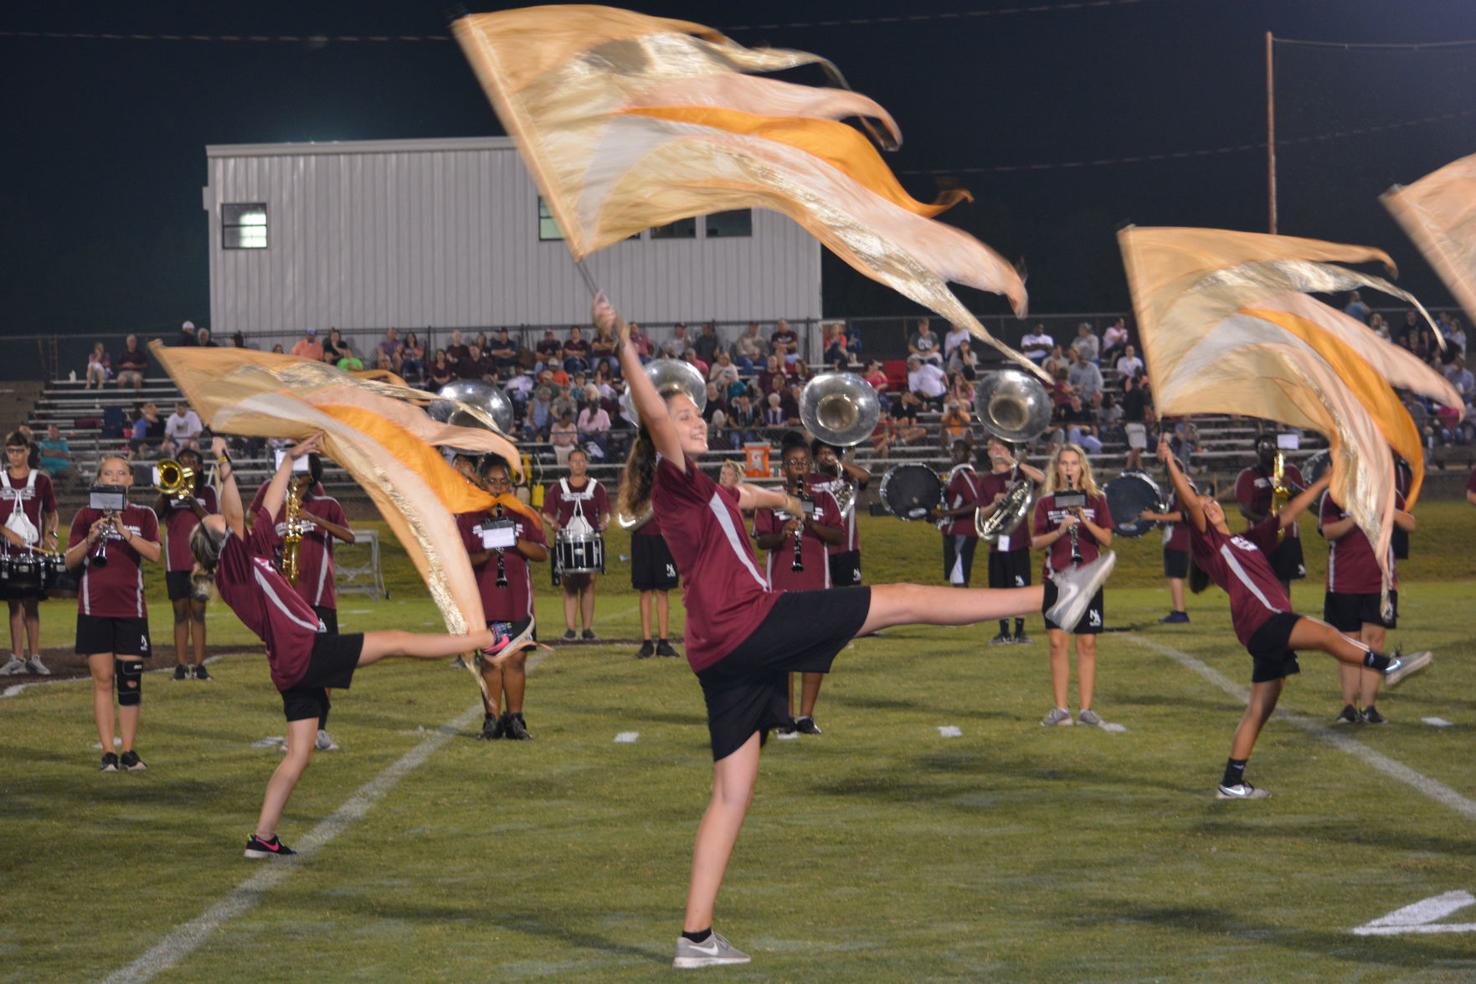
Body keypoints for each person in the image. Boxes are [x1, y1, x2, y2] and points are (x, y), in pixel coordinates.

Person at [592, 293, 1113, 968]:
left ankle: (694, 939)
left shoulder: (707, 491)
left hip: (720, 654)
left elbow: (746, 496)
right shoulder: (678, 477)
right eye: (685, 417)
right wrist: (620, 342)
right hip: (747, 625)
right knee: (898, 599)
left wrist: (783, 498)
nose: (694, 423)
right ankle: (1051, 597)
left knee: (731, 793)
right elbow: (657, 415)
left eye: (694, 415)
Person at [190, 435, 500, 856]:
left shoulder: (254, 553)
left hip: (289, 663)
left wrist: (292, 460)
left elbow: (268, 505)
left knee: (298, 756)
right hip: (306, 652)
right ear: (220, 544)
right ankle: (484, 639)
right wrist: (222, 460)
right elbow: (233, 509)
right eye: (220, 524)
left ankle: (262, 837)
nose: (225, 519)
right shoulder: (234, 570)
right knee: (397, 643)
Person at [1158, 438, 1429, 799]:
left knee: (1260, 709)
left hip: (1262, 627)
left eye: (1212, 503)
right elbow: (1189, 499)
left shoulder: (1246, 540)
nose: (1209, 507)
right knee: (1329, 636)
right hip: (1264, 621)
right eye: (1203, 506)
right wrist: (1170, 462)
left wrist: (1321, 482)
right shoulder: (1211, 546)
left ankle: (1231, 782)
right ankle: (1389, 665)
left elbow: (1285, 516)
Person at [249, 454, 354, 752]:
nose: (297, 481)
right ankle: (297, 728)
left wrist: (314, 520)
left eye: (303, 475)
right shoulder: (276, 509)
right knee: (293, 666)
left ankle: (321, 728)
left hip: (321, 597)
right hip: (287, 600)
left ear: (313, 477)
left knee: (327, 664)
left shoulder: (327, 504)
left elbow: (349, 536)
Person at [63, 454, 161, 770]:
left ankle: (129, 751)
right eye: (108, 473)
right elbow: (69, 561)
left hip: (131, 607)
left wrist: (126, 532)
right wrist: (91, 537)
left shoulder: (144, 515)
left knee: (130, 680)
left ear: (131, 479)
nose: (115, 478)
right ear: (99, 479)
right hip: (94, 607)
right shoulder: (84, 515)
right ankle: (108, 752)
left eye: (121, 473)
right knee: (103, 680)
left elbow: (156, 554)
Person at [752, 435, 845, 736]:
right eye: (793, 463)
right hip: (780, 587)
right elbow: (762, 540)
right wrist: (783, 535)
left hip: (818, 584)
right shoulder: (771, 499)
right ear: (783, 468)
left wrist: (810, 523)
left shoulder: (824, 498)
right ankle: (784, 717)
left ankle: (806, 716)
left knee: (815, 653)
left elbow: (837, 537)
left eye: (804, 462)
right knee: (784, 654)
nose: (799, 468)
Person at [456, 455, 547, 740]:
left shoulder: (523, 513)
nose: (498, 487)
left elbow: (542, 553)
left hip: (518, 598)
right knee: (491, 661)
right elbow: (458, 558)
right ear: (481, 482)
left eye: (503, 481)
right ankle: (492, 720)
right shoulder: (468, 515)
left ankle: (516, 719)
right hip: (484, 599)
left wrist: (515, 540)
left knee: (516, 659)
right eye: (492, 481)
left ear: (511, 482)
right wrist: (483, 555)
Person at [1031, 443, 1114, 727]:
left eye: (1073, 463)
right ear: (1057, 468)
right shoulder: (1046, 502)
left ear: (1082, 467)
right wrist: (1060, 530)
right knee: (1056, 643)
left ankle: (1086, 709)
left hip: (1088, 579)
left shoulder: (1097, 499)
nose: (1069, 468)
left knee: (1088, 644)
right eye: (1064, 463)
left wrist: (1082, 520)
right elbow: (1036, 542)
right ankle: (1061, 708)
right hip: (1057, 578)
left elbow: (1106, 539)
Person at [1318, 486, 1415, 725]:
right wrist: (1355, 518)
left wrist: (1385, 509)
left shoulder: (1388, 489)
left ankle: (1370, 707)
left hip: (1380, 580)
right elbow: (1328, 531)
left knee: (1375, 642)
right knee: (1348, 645)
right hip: (1343, 580)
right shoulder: (1336, 492)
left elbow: (1410, 523)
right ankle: (1349, 706)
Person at [975, 437, 1046, 644]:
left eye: (1002, 447)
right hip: (997, 543)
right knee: (1000, 590)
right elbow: (983, 514)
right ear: (988, 454)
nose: (997, 451)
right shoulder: (985, 481)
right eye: (993, 448)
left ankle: (1020, 631)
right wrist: (995, 503)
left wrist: (1015, 462)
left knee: (1020, 589)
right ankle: (1003, 631)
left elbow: (1042, 478)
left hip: (1019, 541)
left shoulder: (1020, 474)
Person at [155, 448, 218, 680]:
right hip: (175, 561)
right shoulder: (170, 493)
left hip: (201, 562)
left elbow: (212, 520)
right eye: (182, 461)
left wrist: (190, 499)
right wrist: (166, 491)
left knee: (199, 612)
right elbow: (155, 514)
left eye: (192, 461)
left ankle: (200, 666)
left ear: (200, 466)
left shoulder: (208, 491)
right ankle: (181, 666)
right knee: (179, 613)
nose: (187, 464)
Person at [0, 432, 59, 676]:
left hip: (33, 555)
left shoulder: (42, 481)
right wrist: (5, 532)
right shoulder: (0, 479)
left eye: (19, 451)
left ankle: (34, 657)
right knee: (14, 605)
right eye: (10, 451)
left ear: (28, 451)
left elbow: (52, 513)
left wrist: (52, 534)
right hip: (6, 554)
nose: (14, 455)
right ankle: (16, 656)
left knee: (32, 604)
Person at [618, 453, 683, 660]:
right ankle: (646, 642)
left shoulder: (668, 480)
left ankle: (663, 642)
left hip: (664, 539)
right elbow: (627, 506)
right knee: (645, 590)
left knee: (663, 590)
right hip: (642, 538)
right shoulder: (636, 479)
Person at [542, 448, 609, 640]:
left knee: (589, 583)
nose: (578, 464)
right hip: (566, 539)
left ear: (587, 464)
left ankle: (587, 629)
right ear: (568, 464)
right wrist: (552, 522)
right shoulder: (558, 487)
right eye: (574, 461)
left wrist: (604, 523)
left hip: (590, 538)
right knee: (569, 585)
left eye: (582, 461)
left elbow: (604, 511)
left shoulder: (597, 487)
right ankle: (570, 629)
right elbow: (546, 512)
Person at [1234, 435, 1307, 595]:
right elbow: (1244, 509)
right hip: (1261, 536)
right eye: (1264, 449)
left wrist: (1292, 487)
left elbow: (1305, 499)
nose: (1269, 452)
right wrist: (1265, 523)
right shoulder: (1248, 475)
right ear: (1257, 452)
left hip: (1287, 534)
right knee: (1260, 579)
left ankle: (1284, 615)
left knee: (1283, 581)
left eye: (1272, 447)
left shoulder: (1291, 471)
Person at [809, 439, 871, 588]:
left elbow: (865, 477)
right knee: (824, 590)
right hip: (821, 546)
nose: (826, 456)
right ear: (816, 457)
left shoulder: (847, 478)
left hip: (847, 547)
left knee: (850, 592)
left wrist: (839, 463)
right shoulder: (810, 480)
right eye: (822, 453)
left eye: (829, 452)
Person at [1137, 479, 1192, 624]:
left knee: (1175, 576)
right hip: (1175, 539)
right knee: (1173, 576)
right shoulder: (1177, 490)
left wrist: (1154, 516)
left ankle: (1180, 612)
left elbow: (1182, 515)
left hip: (1179, 540)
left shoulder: (1183, 488)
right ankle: (1177, 611)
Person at [936, 439, 985, 589]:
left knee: (960, 577)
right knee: (955, 576)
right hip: (953, 530)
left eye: (958, 450)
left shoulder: (966, 475)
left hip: (963, 530)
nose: (954, 453)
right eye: (952, 450)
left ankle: (966, 611)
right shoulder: (956, 474)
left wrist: (947, 513)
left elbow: (977, 502)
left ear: (968, 454)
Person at [37, 424, 79, 489]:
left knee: (75, 473)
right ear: (48, 432)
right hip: (47, 467)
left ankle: (65, 492)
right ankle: (47, 494)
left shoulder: (62, 443)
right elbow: (43, 453)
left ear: (58, 433)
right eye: (50, 431)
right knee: (42, 475)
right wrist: (58, 452)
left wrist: (51, 452)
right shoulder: (43, 442)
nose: (52, 433)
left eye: (54, 431)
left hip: (62, 466)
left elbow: (66, 455)